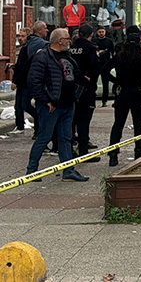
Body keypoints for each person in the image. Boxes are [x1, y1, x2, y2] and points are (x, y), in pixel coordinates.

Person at [25, 28, 89, 182]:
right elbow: (34, 82)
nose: (70, 41)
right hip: (51, 106)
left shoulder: (67, 55)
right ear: (60, 41)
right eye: (68, 38)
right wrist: (46, 100)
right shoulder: (43, 56)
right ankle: (31, 170)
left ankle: (68, 170)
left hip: (67, 104)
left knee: (65, 138)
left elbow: (73, 75)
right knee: (44, 137)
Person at [102, 33, 141, 167]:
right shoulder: (140, 58)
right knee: (138, 124)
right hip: (137, 92)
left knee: (118, 123)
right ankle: (138, 151)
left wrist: (116, 81)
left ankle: (113, 154)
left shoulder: (119, 57)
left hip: (122, 92)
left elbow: (104, 70)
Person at [11, 22, 50, 137]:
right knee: (22, 104)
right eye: (45, 28)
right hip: (29, 80)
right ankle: (32, 127)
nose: (47, 30)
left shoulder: (31, 46)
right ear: (39, 31)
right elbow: (23, 66)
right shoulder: (37, 45)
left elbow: (23, 66)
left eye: (23, 36)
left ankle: (37, 128)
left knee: (24, 104)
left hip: (29, 80)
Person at [69, 24, 101, 161]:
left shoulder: (71, 48)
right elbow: (95, 67)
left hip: (71, 88)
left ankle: (68, 150)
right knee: (84, 121)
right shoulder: (90, 48)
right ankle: (83, 150)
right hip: (86, 89)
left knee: (71, 121)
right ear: (91, 35)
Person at [8, 28, 33, 134]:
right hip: (21, 82)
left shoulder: (27, 49)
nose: (20, 38)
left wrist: (15, 81)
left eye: (23, 36)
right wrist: (14, 66)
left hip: (26, 82)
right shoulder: (23, 49)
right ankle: (20, 126)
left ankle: (38, 118)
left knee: (24, 104)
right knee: (18, 105)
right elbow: (20, 66)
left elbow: (24, 68)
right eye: (20, 36)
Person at [93, 26, 115, 107]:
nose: (101, 33)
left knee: (105, 82)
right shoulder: (94, 41)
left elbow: (113, 52)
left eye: (102, 31)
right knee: (94, 82)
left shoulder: (109, 41)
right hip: (96, 64)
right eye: (100, 32)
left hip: (106, 63)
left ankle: (104, 100)